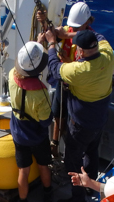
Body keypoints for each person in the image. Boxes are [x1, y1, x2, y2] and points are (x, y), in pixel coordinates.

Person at [45, 22, 114, 202]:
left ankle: (78, 201)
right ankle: (90, 187)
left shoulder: (77, 71)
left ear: (81, 52)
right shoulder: (108, 55)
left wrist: (52, 42)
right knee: (92, 151)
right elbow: (99, 35)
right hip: (99, 119)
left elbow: (54, 68)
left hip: (80, 124)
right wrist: (66, 34)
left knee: (73, 161)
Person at [36, 2, 95, 158]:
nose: (73, 30)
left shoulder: (91, 41)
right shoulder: (68, 31)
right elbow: (53, 33)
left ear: (87, 22)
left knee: (72, 124)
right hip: (63, 83)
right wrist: (43, 21)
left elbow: (81, 71)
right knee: (57, 114)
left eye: (77, 28)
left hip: (78, 90)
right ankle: (54, 145)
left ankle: (71, 156)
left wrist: (66, 59)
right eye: (72, 28)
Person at [8, 42, 54, 202]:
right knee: (43, 165)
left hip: (19, 135)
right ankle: (48, 195)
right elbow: (45, 121)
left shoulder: (12, 76)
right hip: (38, 136)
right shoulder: (41, 93)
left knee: (23, 171)